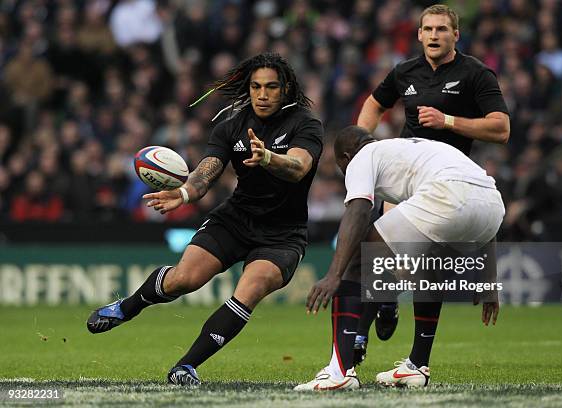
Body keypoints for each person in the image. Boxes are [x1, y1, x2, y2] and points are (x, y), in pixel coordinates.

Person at [86, 53, 323, 386]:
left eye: (271, 87)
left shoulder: (305, 123)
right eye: (256, 87)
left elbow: (299, 167)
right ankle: (128, 306)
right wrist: (183, 194)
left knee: (249, 290)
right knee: (184, 279)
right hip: (235, 219)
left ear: (285, 89)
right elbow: (204, 173)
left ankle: (186, 366)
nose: (263, 94)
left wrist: (269, 158)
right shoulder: (232, 125)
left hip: (283, 235)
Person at [353, 4, 510, 366]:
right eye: (428, 29)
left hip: (449, 182)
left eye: (442, 29)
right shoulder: (405, 71)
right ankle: (362, 334)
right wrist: (364, 142)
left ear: (456, 35)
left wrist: (449, 120)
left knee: (426, 269)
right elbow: (375, 104)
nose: (435, 35)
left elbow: (501, 129)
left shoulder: (476, 74)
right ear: (419, 34)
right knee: (379, 253)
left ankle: (414, 354)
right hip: (405, 175)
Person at [295, 126, 504, 390]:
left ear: (346, 157)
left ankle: (339, 370)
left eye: (342, 168)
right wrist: (488, 280)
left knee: (357, 258)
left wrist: (334, 274)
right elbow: (477, 198)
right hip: (492, 206)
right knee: (426, 266)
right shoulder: (408, 150)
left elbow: (358, 212)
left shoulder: (362, 156)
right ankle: (416, 366)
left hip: (448, 195)